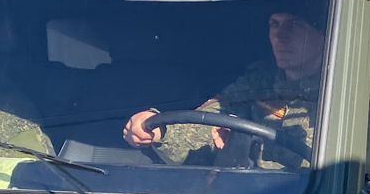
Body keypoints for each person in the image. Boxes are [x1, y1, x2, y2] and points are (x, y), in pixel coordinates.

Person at [123, 9, 325, 169]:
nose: (280, 36)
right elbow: (207, 124)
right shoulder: (258, 83)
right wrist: (161, 131)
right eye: (275, 24)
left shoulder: (343, 91)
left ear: (323, 32)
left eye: (295, 25)